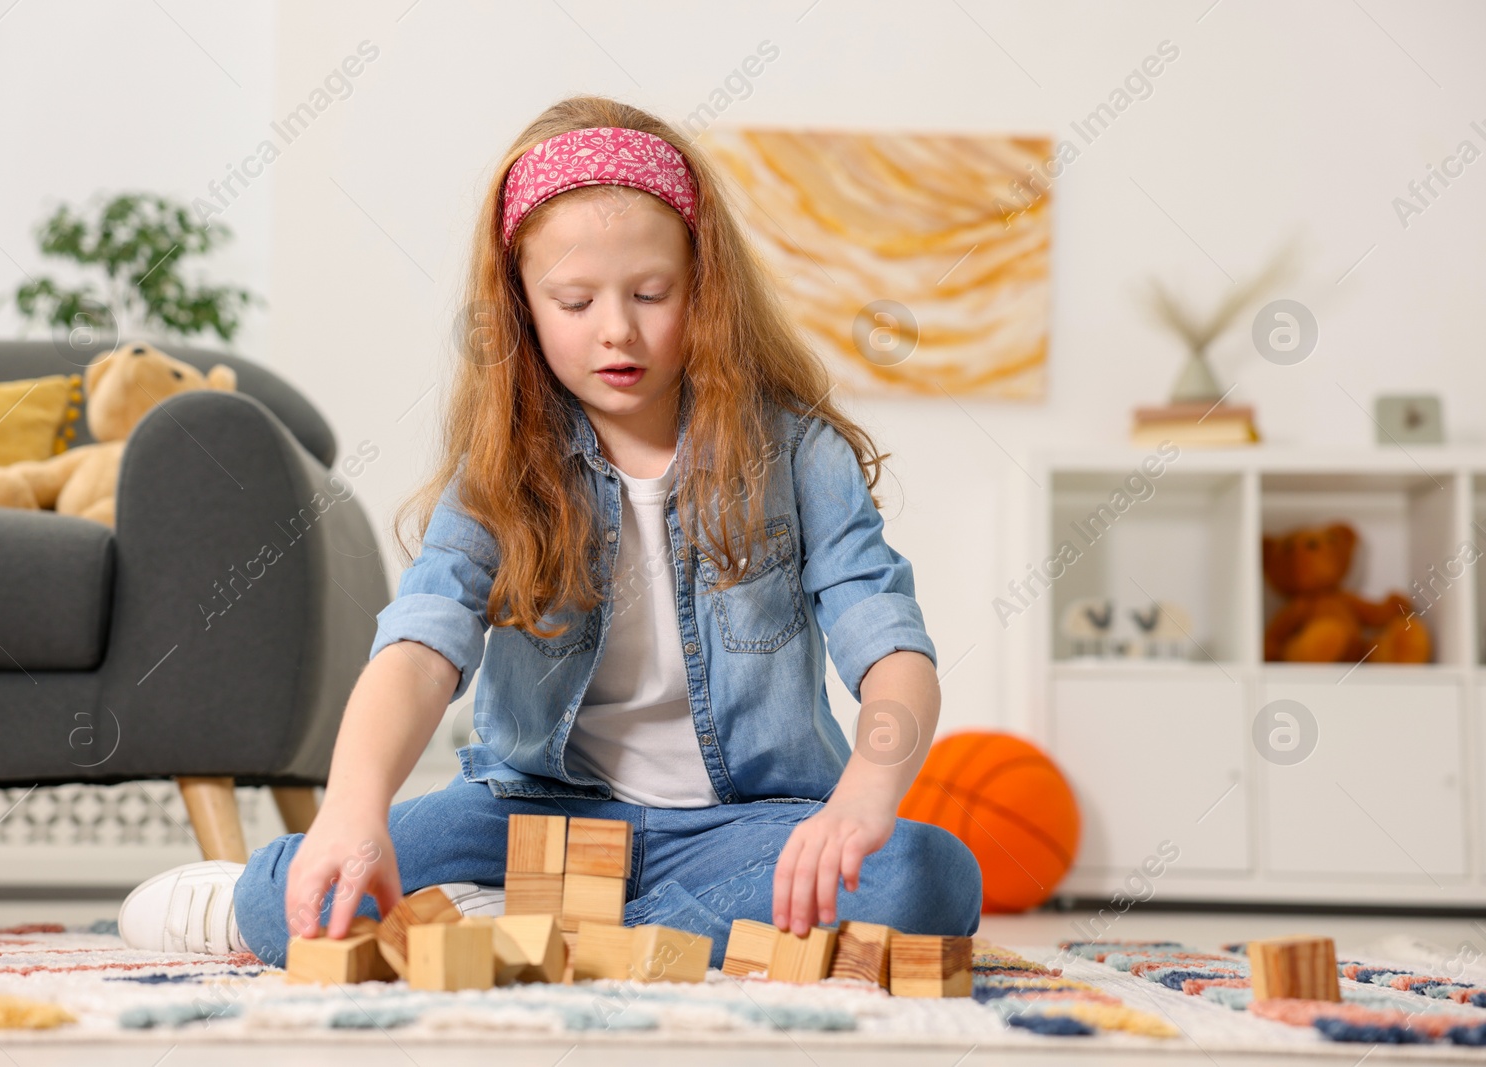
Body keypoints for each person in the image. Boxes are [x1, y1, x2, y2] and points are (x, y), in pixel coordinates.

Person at [119, 95, 980, 968]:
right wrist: (351, 806)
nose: (618, 329)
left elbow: (890, 646)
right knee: (294, 899)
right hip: (531, 814)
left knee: (927, 875)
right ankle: (275, 896)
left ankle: (537, 933)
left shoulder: (802, 453)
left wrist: (865, 799)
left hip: (743, 826)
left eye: (652, 293)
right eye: (574, 300)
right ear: (523, 305)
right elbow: (420, 646)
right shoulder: (501, 468)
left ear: (705, 287)